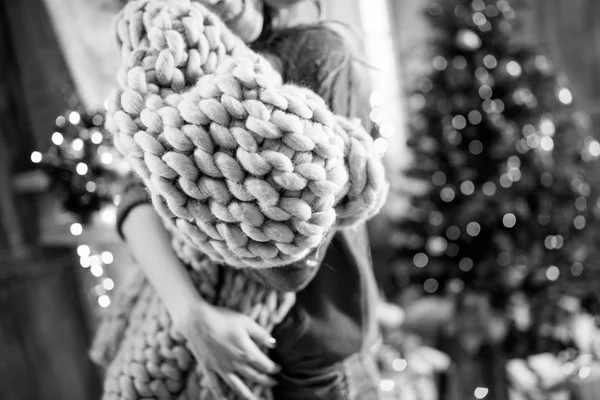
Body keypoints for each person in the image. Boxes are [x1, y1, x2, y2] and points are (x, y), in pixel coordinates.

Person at [113, 1, 383, 399]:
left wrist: (183, 188)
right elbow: (134, 198)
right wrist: (190, 315)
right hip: (212, 347)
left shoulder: (316, 51)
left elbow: (288, 256)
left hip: (307, 362)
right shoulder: (169, 57)